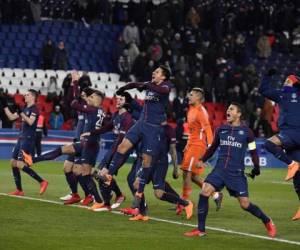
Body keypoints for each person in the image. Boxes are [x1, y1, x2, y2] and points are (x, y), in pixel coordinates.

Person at [184, 102, 276, 238]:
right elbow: (213, 147)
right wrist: (202, 160)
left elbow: (253, 151)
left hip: (236, 173)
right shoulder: (221, 130)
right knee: (205, 192)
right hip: (219, 170)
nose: (228, 111)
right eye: (227, 109)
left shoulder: (247, 132)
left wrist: (256, 168)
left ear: (238, 114)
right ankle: (200, 229)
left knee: (245, 204)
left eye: (231, 109)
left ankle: (267, 221)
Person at [99, 66, 176, 208]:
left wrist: (149, 85)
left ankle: (141, 196)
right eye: (154, 71)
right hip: (141, 123)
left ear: (163, 77)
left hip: (152, 128)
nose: (154, 72)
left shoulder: (166, 85)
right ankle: (109, 175)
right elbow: (135, 85)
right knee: (122, 146)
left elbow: (163, 91)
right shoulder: (150, 85)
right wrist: (124, 89)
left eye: (157, 72)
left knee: (146, 161)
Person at [23, 87, 105, 210]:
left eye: (91, 97)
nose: (88, 98)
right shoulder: (99, 110)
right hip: (85, 143)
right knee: (62, 151)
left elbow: (73, 104)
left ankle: (99, 196)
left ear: (97, 100)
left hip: (90, 145)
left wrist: (75, 84)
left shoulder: (92, 109)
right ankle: (32, 160)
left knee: (85, 174)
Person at [124, 124, 193, 221]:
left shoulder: (168, 129)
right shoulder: (146, 126)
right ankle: (142, 213)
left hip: (160, 163)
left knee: (159, 194)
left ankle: (185, 203)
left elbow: (172, 149)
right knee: (136, 184)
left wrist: (175, 168)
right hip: (146, 159)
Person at [82, 93, 135, 210]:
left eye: (121, 99)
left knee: (103, 175)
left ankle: (106, 204)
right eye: (118, 98)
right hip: (114, 149)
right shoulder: (116, 115)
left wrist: (110, 156)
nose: (118, 100)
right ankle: (119, 195)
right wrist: (91, 133)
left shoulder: (128, 119)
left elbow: (121, 140)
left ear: (126, 102)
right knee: (99, 175)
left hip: (121, 151)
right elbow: (106, 128)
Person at [178, 88, 222, 215]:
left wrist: (210, 147)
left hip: (198, 145)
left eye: (191, 95)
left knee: (186, 171)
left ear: (198, 97)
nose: (188, 96)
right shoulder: (190, 110)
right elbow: (192, 130)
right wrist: (187, 144)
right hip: (192, 144)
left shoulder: (201, 111)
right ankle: (215, 194)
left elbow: (207, 129)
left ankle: (185, 202)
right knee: (192, 176)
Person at [0, 89, 48, 196]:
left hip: (28, 139)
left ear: (33, 97)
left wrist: (21, 112)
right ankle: (19, 190)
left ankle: (42, 181)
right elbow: (11, 117)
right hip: (21, 138)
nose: (25, 96)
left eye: (27, 95)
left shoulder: (34, 109)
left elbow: (31, 122)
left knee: (20, 164)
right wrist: (4, 105)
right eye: (25, 94)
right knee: (13, 162)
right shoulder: (25, 108)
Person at [259, 71, 300, 181]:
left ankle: (291, 164)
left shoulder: (284, 93)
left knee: (269, 143)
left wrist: (267, 75)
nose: (284, 83)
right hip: (291, 138)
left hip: (291, 133)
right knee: (297, 178)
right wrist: (267, 75)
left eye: (288, 81)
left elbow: (264, 90)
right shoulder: (282, 93)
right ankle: (293, 165)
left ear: (295, 84)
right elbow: (263, 90)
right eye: (285, 81)